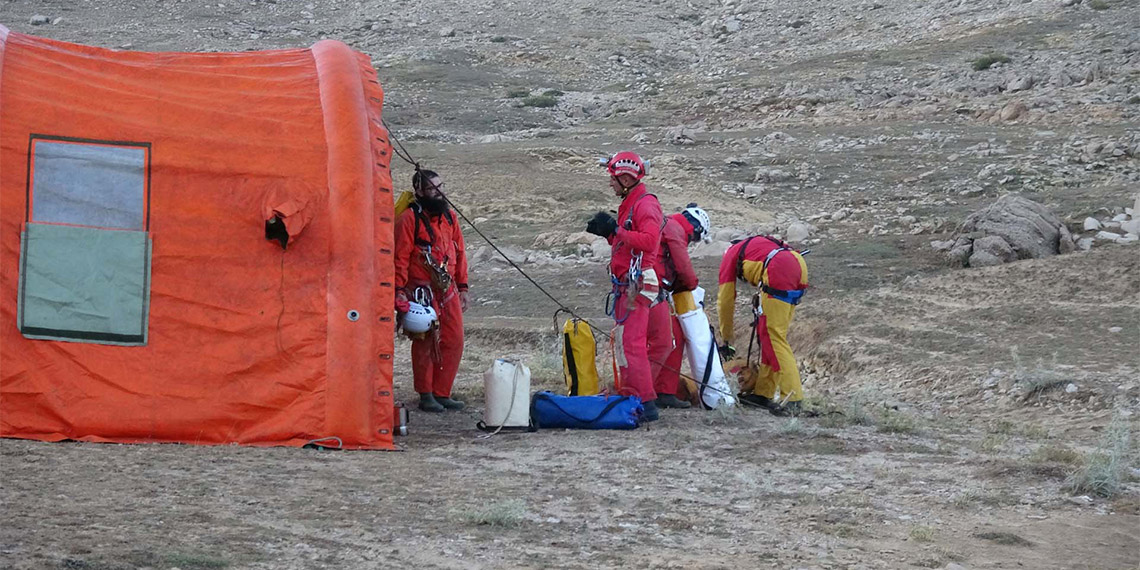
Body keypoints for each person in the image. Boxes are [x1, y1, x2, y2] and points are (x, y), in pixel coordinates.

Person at [585, 152, 664, 421]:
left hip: (636, 284)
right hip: (629, 283)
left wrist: (616, 231)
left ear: (627, 178)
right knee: (627, 342)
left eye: (613, 178)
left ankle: (645, 402)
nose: (610, 183)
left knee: (631, 344)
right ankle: (634, 395)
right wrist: (609, 233)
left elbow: (650, 241)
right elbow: (629, 243)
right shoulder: (632, 203)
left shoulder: (644, 205)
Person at [394, 169, 470, 413]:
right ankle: (426, 394)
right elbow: (400, 257)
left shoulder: (449, 217)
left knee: (454, 339)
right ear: (419, 192)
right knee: (425, 342)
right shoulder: (409, 219)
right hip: (420, 291)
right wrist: (399, 290)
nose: (439, 192)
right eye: (432, 189)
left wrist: (463, 286)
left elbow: (459, 252)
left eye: (441, 187)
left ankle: (442, 392)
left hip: (447, 289)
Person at [716, 234, 808, 415]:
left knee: (774, 337)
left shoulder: (730, 256)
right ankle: (763, 393)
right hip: (797, 264)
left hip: (778, 270)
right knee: (766, 335)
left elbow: (725, 301)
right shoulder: (756, 244)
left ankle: (794, 398)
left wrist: (727, 339)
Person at [651, 204, 711, 409]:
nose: (692, 242)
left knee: (645, 342)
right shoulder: (676, 229)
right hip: (651, 291)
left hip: (637, 288)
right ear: (695, 228)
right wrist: (691, 285)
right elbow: (684, 267)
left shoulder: (663, 223)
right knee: (672, 338)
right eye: (695, 238)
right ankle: (660, 392)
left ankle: (642, 390)